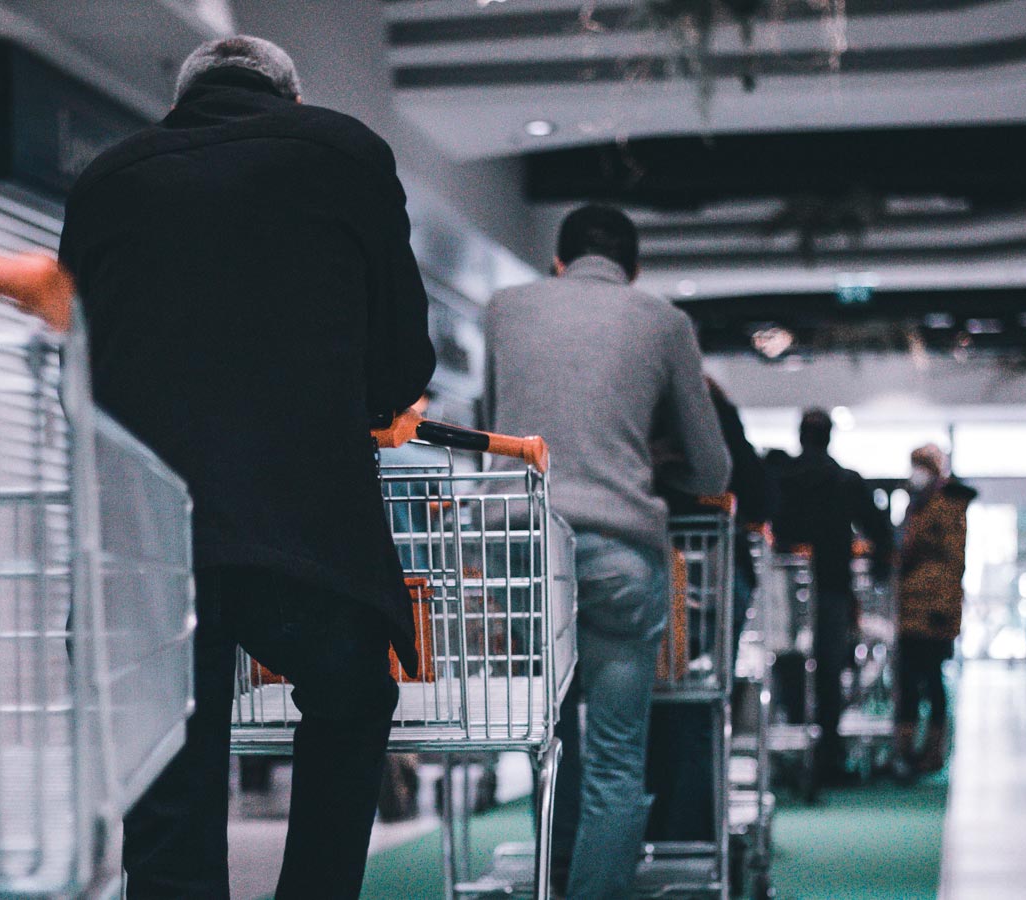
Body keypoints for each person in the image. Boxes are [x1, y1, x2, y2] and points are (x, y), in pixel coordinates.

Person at [59, 36, 436, 899]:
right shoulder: (344, 153)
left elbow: (75, 357)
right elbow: (403, 359)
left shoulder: (107, 178)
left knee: (165, 758)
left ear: (182, 100)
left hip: (142, 535)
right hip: (303, 524)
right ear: (289, 98)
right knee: (350, 703)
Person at [484, 204, 730, 898]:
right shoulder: (663, 321)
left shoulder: (504, 308)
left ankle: (550, 878)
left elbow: (495, 422)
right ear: (633, 271)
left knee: (549, 739)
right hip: (619, 550)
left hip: (520, 545)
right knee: (616, 758)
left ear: (557, 263)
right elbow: (715, 469)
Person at [645, 377, 777, 842]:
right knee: (700, 702)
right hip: (715, 574)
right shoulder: (720, 418)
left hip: (657, 572)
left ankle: (657, 829)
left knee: (650, 706)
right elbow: (760, 498)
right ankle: (693, 835)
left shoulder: (641, 419)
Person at [770, 409, 892, 784]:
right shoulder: (845, 480)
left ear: (801, 436)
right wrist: (879, 569)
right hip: (833, 584)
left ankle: (790, 747)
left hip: (785, 586)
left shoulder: (782, 478)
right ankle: (827, 753)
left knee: (786, 662)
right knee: (829, 667)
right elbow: (878, 528)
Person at [893, 444, 974, 780]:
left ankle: (934, 749)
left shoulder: (947, 506)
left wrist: (944, 609)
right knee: (908, 681)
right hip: (911, 606)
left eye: (921, 466)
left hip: (933, 610)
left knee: (931, 680)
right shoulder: (918, 505)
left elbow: (953, 562)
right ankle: (906, 750)